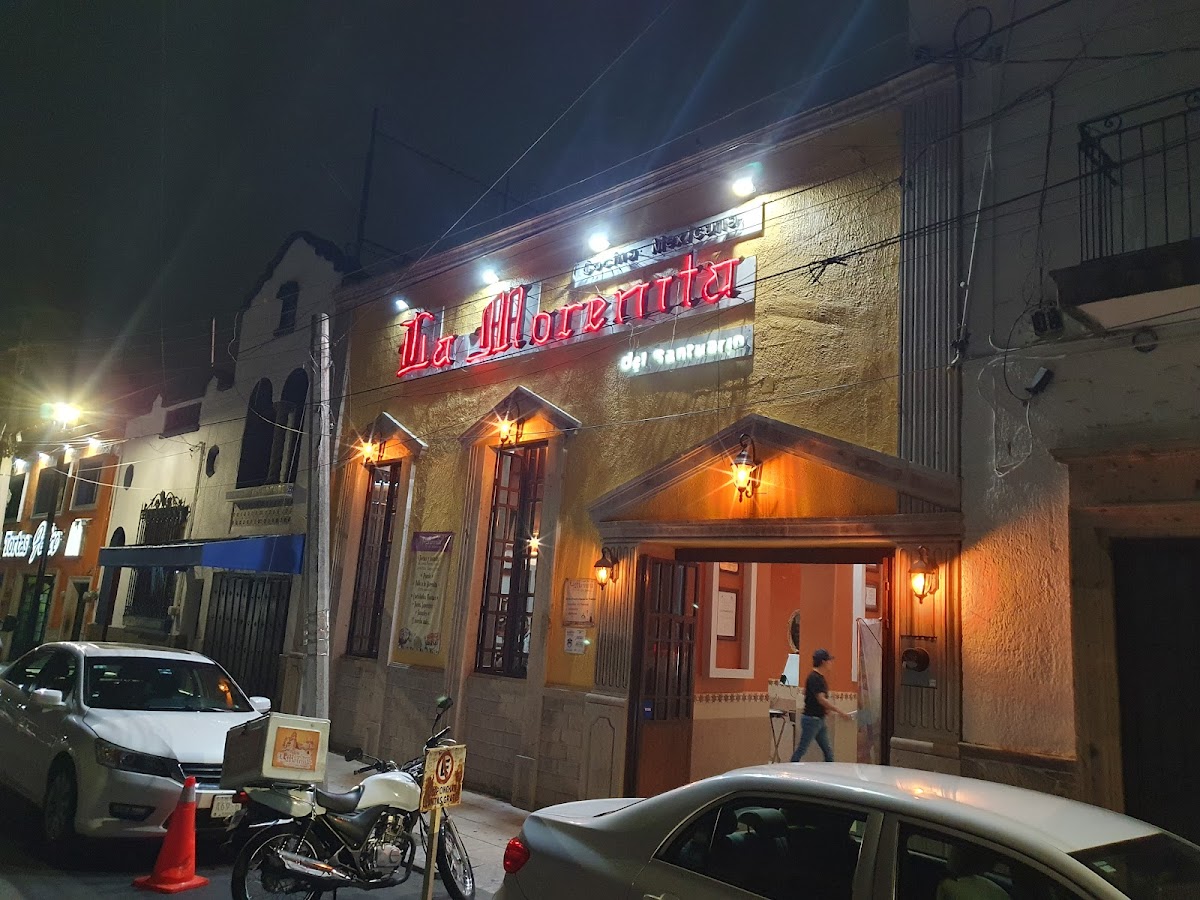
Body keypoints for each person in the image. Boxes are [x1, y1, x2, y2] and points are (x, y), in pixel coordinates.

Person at [790, 648, 854, 762]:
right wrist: (839, 711)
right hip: (812, 719)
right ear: (823, 662)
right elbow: (821, 699)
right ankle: (791, 766)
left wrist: (825, 710)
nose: (831, 663)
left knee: (827, 751)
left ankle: (829, 769)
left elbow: (809, 695)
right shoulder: (815, 678)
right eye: (829, 660)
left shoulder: (817, 678)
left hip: (818, 719)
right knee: (802, 749)